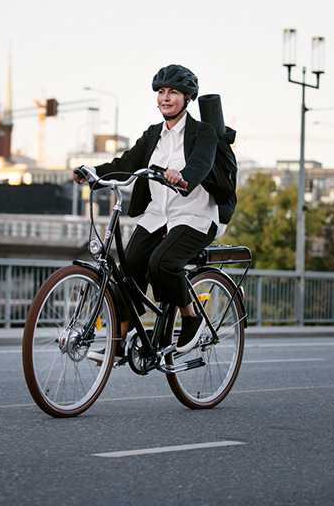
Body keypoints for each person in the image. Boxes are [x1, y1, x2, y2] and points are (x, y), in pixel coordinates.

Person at [74, 64, 224, 361]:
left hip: (195, 216)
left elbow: (202, 163)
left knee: (163, 263)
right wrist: (93, 172)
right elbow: (128, 163)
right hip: (158, 215)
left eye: (173, 93)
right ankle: (121, 339)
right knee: (127, 270)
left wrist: (183, 177)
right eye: (161, 92)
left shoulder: (202, 132)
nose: (165, 98)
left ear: (188, 97)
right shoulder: (153, 134)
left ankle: (190, 316)